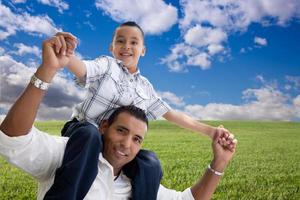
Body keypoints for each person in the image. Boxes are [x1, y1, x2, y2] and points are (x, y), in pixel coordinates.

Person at [0, 42, 237, 199]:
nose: (126, 144)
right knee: (86, 134)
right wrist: (48, 70)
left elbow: (188, 199)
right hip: (82, 138)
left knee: (151, 162)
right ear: (104, 126)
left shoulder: (140, 178)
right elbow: (14, 138)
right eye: (121, 131)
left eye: (136, 139)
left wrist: (220, 162)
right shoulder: (71, 153)